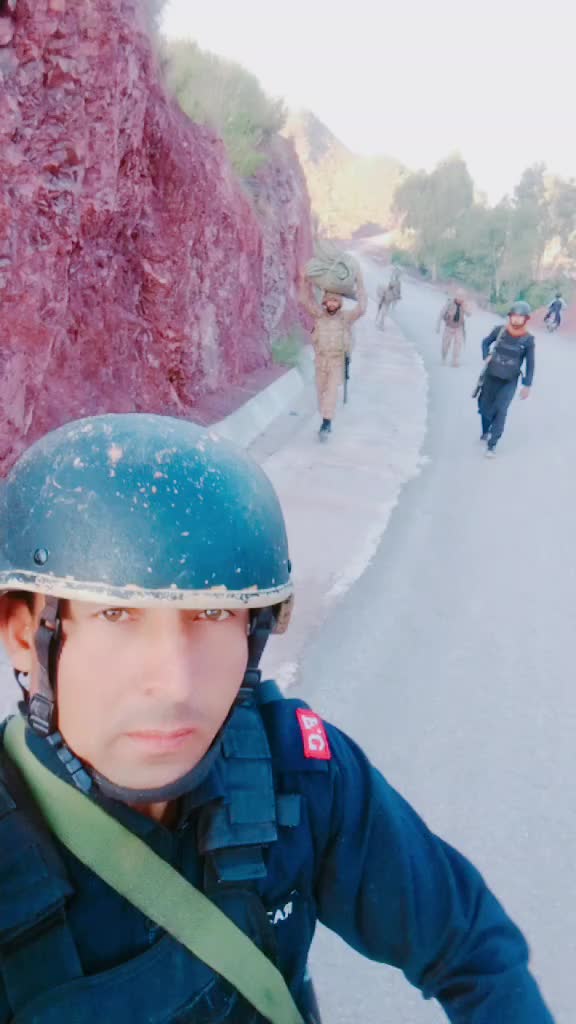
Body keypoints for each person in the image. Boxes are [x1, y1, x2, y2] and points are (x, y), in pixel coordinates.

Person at [0, 413, 555, 1023]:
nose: (177, 684)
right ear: (24, 635)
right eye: (116, 616)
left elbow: (471, 946)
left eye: (212, 616)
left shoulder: (291, 770)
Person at [300, 273, 367, 439]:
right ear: (325, 302)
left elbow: (361, 309)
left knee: (331, 392)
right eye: (329, 301)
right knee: (321, 392)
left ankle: (326, 422)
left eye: (335, 301)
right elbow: (304, 300)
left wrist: (360, 286)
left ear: (339, 304)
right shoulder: (318, 314)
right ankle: (325, 417)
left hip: (337, 362)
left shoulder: (346, 318)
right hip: (320, 361)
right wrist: (305, 282)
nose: (332, 304)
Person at [479, 300, 535, 458]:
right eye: (514, 316)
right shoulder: (499, 331)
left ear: (525, 319)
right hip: (491, 375)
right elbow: (485, 343)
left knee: (501, 409)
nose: (517, 319)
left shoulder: (528, 340)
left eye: (520, 317)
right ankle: (485, 431)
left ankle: (492, 445)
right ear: (510, 317)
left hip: (509, 381)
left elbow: (530, 363)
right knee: (484, 407)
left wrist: (527, 385)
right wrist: (486, 355)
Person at [437, 289, 470, 367]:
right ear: (456, 296)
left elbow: (469, 314)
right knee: (445, 345)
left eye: (463, 297)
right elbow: (441, 314)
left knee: (458, 345)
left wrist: (465, 308)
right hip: (449, 327)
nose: (461, 299)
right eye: (460, 296)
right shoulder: (450, 303)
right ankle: (444, 357)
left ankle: (455, 360)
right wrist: (438, 326)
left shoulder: (464, 304)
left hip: (459, 328)